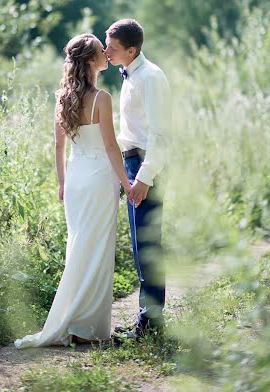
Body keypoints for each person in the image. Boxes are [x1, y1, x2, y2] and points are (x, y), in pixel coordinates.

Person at [14, 33, 132, 348]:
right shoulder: (102, 98)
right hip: (98, 180)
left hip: (77, 179)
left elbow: (58, 145)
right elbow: (110, 146)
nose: (107, 53)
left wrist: (62, 182)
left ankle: (83, 324)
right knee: (96, 252)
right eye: (101, 50)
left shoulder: (63, 97)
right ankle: (87, 328)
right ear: (92, 61)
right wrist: (127, 184)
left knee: (79, 249)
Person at [105, 19, 172, 339]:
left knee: (147, 245)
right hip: (133, 163)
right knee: (138, 244)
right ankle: (147, 319)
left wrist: (144, 178)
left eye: (113, 48)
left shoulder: (151, 78)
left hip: (147, 167)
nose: (106, 52)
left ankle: (152, 323)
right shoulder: (131, 74)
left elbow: (161, 136)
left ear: (132, 50)